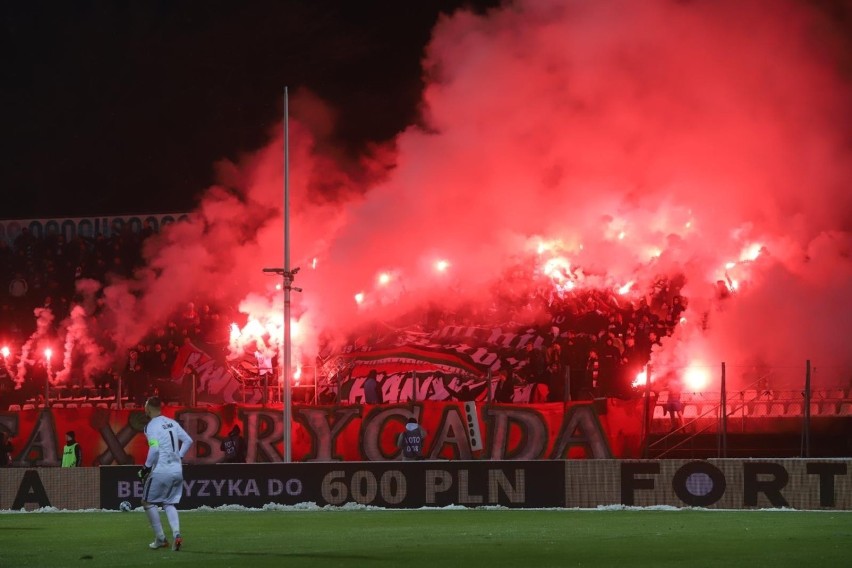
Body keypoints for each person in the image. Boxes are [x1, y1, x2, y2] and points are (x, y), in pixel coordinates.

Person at [139, 396, 193, 552]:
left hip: (161, 470)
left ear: (148, 409)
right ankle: (176, 534)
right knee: (169, 503)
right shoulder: (172, 423)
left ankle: (161, 539)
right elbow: (188, 440)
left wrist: (146, 468)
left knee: (147, 502)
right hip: (176, 470)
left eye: (145, 406)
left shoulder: (151, 426)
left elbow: (154, 448)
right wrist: (179, 456)